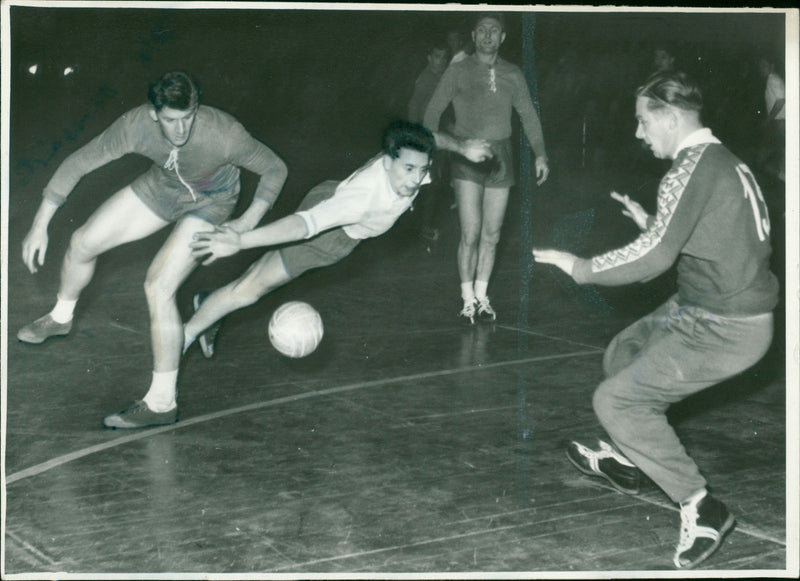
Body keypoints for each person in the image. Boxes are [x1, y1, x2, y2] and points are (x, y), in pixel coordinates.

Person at [533, 70, 778, 569]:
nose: (639, 133)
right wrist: (652, 223)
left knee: (615, 400)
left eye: (644, 121)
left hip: (725, 324)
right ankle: (630, 457)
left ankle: (702, 507)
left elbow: (654, 259)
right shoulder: (720, 159)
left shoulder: (690, 169)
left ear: (669, 117)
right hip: (712, 305)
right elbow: (712, 234)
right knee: (622, 352)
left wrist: (580, 268)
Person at [17, 71, 289, 429]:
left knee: (158, 286)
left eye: (188, 117)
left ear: (197, 108)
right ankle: (61, 317)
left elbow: (274, 168)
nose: (181, 130)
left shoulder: (224, 133)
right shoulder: (134, 125)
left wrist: (246, 224)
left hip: (212, 202)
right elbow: (78, 163)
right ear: (152, 113)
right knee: (83, 242)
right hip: (162, 187)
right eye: (171, 120)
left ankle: (162, 402)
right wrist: (40, 224)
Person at [183, 121, 493, 362]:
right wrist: (240, 241)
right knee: (251, 289)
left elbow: (431, 138)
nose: (415, 179)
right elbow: (304, 226)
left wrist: (463, 146)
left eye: (421, 170)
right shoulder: (362, 199)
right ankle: (186, 335)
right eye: (408, 169)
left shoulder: (410, 153)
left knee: (256, 278)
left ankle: (210, 302)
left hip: (330, 199)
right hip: (331, 234)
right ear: (387, 161)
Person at [424, 12, 549, 324]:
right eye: (482, 30)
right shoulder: (457, 71)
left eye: (494, 30)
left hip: (502, 155)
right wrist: (430, 149)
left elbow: (529, 116)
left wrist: (540, 154)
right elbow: (433, 111)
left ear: (503, 37)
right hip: (467, 154)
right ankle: (466, 299)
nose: (488, 35)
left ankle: (482, 297)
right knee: (471, 233)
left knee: (492, 234)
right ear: (474, 35)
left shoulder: (513, 73)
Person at [408, 38, 450, 247]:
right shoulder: (425, 79)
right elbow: (414, 108)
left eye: (444, 57)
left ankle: (422, 224)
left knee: (434, 181)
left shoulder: (444, 77)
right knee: (429, 182)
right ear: (429, 58)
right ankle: (422, 227)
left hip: (439, 137)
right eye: (436, 57)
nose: (440, 61)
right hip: (425, 138)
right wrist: (415, 137)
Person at [757, 55, 785, 182]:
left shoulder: (772, 79)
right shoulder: (774, 79)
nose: (761, 69)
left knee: (761, 159)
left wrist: (768, 119)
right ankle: (784, 176)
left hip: (779, 123)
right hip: (779, 123)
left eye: (764, 66)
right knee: (781, 153)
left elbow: (780, 101)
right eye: (760, 66)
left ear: (772, 66)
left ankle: (784, 177)